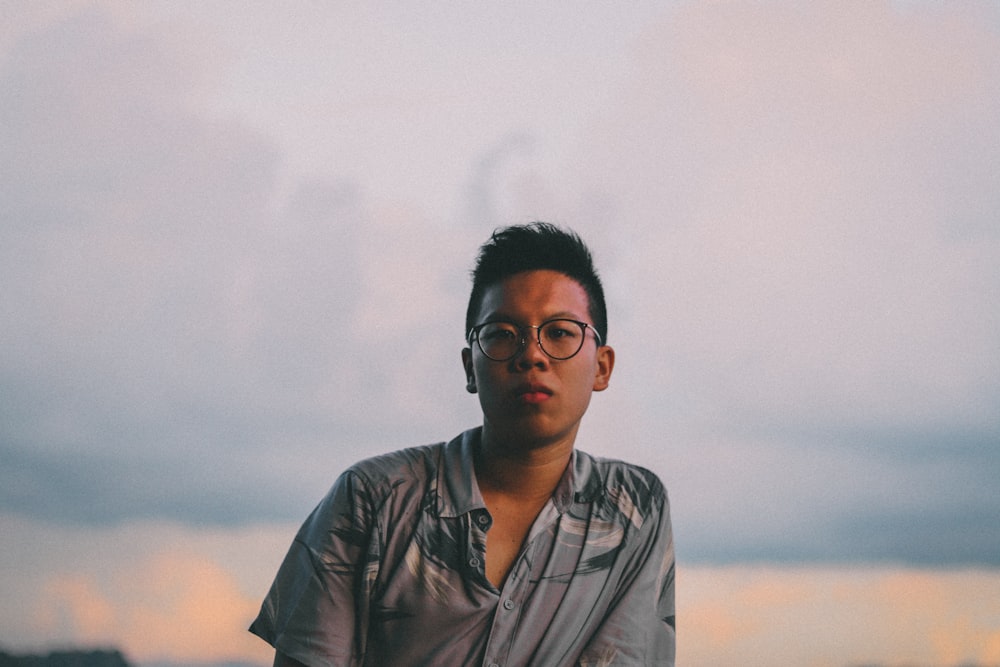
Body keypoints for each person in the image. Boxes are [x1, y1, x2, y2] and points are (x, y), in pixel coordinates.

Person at [249, 222, 676, 666]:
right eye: (502, 334)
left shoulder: (630, 508)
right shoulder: (373, 499)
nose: (531, 354)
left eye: (560, 332)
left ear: (602, 367)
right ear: (470, 367)